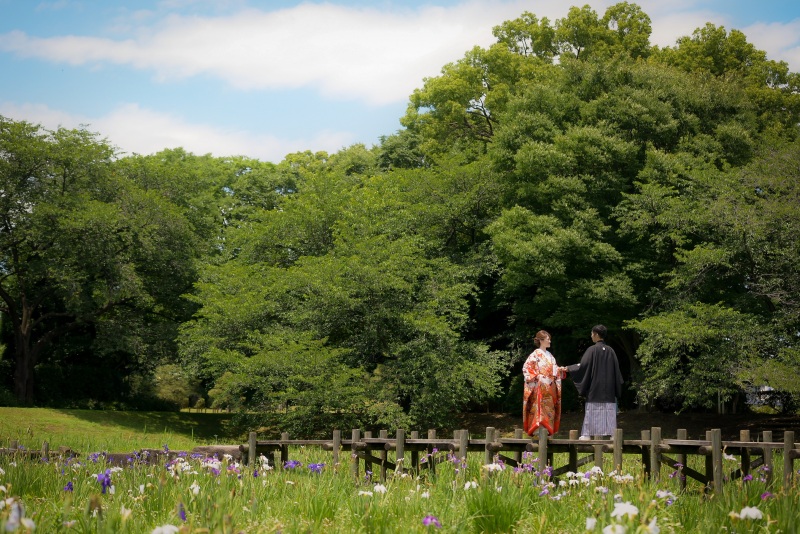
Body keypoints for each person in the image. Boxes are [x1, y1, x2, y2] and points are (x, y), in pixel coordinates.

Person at [567, 325, 624, 440]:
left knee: (592, 408)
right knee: (609, 409)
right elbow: (617, 370)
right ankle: (613, 434)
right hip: (609, 387)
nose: (591, 336)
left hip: (595, 386)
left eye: (592, 333)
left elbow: (583, 366)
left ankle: (587, 434)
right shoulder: (611, 351)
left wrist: (569, 368)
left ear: (596, 335)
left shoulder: (592, 350)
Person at [523, 330, 568, 436]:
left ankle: (547, 429)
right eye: (548, 339)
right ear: (541, 340)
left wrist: (559, 370)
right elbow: (527, 368)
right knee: (538, 408)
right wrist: (538, 377)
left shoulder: (550, 356)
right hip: (539, 387)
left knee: (550, 409)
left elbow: (554, 370)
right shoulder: (535, 354)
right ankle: (538, 428)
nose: (549, 341)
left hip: (550, 387)